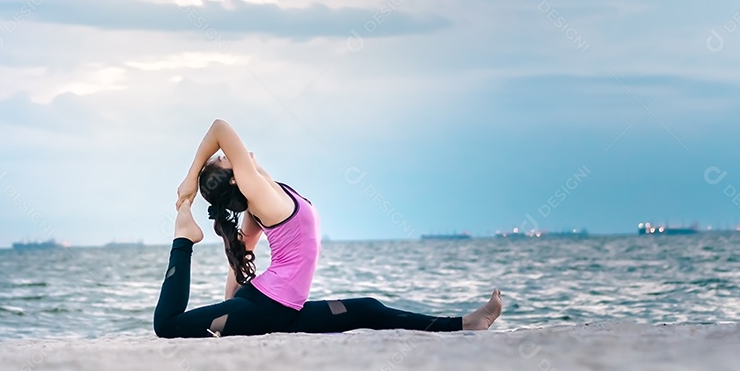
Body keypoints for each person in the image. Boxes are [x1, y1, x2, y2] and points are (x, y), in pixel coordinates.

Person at [154, 119, 502, 339]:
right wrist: (190, 179)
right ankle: (184, 237)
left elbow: (240, 255)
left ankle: (464, 324)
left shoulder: (264, 195)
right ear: (236, 178)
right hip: (268, 305)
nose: (237, 153)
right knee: (167, 325)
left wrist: (228, 310)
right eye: (227, 158)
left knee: (368, 308)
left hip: (277, 307)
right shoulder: (258, 193)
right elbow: (219, 128)